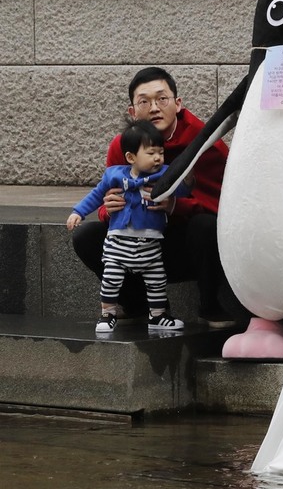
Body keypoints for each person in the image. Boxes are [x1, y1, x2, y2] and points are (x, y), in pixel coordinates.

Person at [72, 67, 236, 328]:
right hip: (136, 241)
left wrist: (174, 206)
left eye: (162, 99)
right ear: (132, 111)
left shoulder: (204, 142)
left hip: (184, 247)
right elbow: (107, 195)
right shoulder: (123, 145)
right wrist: (108, 208)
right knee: (86, 236)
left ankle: (211, 307)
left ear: (178, 104)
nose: (154, 107)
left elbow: (225, 208)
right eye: (144, 101)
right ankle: (138, 305)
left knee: (205, 226)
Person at [67, 120, 191, 332]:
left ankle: (158, 316)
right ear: (131, 157)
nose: (158, 158)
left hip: (150, 243)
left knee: (157, 281)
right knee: (111, 279)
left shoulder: (164, 174)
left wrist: (181, 180)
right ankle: (108, 314)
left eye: (161, 152)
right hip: (119, 241)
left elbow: (184, 189)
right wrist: (78, 211)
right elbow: (96, 195)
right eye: (151, 153)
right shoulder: (115, 175)